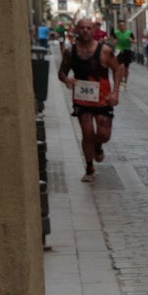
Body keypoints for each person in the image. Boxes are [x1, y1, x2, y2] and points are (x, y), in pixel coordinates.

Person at [56, 16, 122, 183]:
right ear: (77, 30)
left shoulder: (105, 50)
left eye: (88, 28)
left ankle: (98, 145)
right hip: (82, 99)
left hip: (103, 99)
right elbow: (61, 72)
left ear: (94, 31)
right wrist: (66, 79)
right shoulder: (71, 52)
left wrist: (115, 92)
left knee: (104, 134)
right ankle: (89, 167)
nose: (85, 30)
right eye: (82, 28)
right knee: (87, 133)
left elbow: (118, 69)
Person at [113, 25, 135, 90]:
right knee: (121, 67)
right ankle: (121, 81)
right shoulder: (116, 33)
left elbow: (135, 41)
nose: (122, 27)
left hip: (127, 51)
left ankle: (125, 81)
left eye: (123, 25)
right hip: (119, 51)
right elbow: (114, 41)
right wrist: (115, 42)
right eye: (121, 25)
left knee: (126, 68)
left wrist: (131, 40)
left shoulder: (129, 33)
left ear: (125, 27)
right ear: (119, 27)